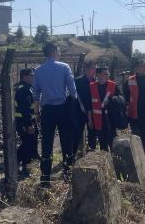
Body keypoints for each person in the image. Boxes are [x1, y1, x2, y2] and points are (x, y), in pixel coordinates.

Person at [33, 42, 78, 187]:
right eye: (58, 51)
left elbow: (36, 95)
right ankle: (68, 174)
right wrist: (73, 102)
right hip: (63, 108)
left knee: (46, 144)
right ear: (54, 51)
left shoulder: (38, 70)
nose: (60, 53)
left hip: (47, 110)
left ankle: (45, 178)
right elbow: (73, 91)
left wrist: (37, 112)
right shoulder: (64, 67)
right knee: (67, 142)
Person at [89, 67, 121, 151]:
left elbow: (121, 99)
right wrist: (89, 119)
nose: (107, 76)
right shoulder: (91, 86)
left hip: (110, 120)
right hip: (98, 121)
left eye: (108, 74)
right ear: (98, 75)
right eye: (105, 74)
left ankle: (115, 158)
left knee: (113, 143)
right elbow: (89, 104)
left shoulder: (113, 85)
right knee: (103, 146)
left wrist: (111, 99)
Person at [14, 68, 39, 178]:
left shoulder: (28, 87)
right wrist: (29, 125)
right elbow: (24, 109)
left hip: (28, 121)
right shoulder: (23, 89)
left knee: (29, 143)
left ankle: (24, 165)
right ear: (24, 76)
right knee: (27, 143)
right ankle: (21, 165)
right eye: (31, 75)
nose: (33, 77)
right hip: (24, 122)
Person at [74, 59, 97, 152]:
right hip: (80, 111)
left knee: (92, 133)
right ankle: (75, 153)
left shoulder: (96, 81)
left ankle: (91, 152)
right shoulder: (78, 81)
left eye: (95, 68)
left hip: (93, 111)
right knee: (77, 133)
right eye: (93, 68)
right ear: (87, 69)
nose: (95, 70)